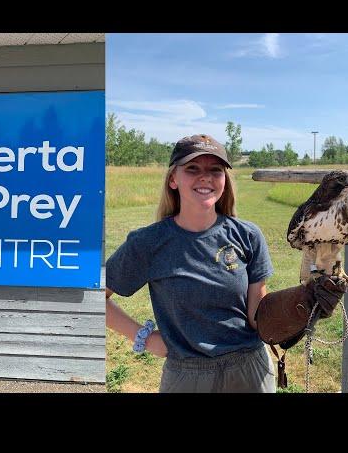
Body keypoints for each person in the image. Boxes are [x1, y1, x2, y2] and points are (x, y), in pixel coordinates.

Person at [105, 134, 276, 393]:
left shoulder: (248, 236)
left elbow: (256, 315)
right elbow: (95, 296)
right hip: (188, 376)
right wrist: (144, 337)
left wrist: (301, 305)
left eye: (215, 170)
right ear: (173, 179)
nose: (205, 177)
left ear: (224, 180)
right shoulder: (149, 242)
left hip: (249, 368)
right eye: (192, 168)